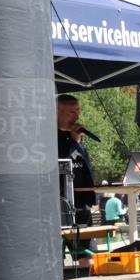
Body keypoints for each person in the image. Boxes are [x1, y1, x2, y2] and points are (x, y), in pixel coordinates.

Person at [56, 94, 96, 226]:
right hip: (61, 206)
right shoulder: (50, 136)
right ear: (56, 111)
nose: (77, 117)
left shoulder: (75, 136)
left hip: (82, 205)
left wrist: (77, 142)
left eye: (78, 112)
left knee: (89, 246)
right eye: (72, 112)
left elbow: (86, 166)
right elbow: (62, 165)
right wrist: (75, 142)